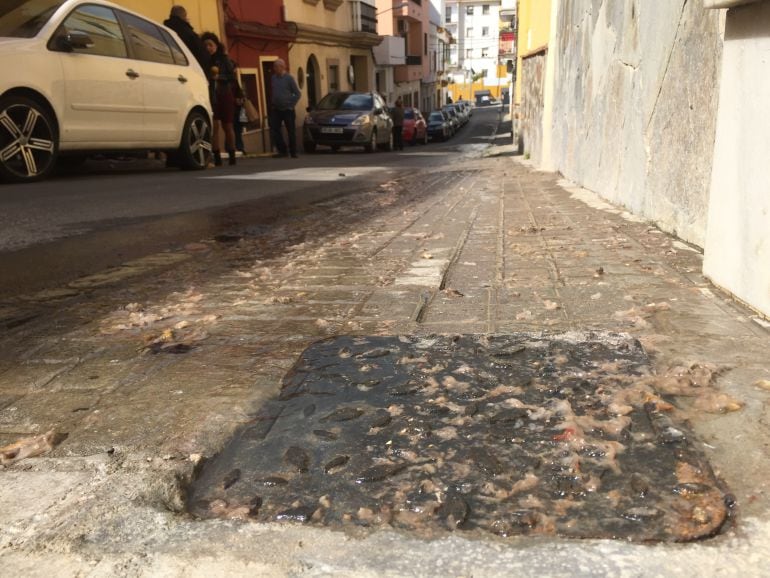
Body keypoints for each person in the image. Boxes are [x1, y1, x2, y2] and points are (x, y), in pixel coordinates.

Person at [201, 32, 242, 166]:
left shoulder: (224, 60)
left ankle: (231, 154)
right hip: (210, 96)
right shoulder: (202, 60)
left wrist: (219, 78)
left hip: (224, 94)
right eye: (206, 45)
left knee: (228, 126)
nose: (208, 48)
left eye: (210, 45)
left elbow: (232, 78)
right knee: (214, 126)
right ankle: (216, 155)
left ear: (216, 46)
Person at [270, 59, 301, 158]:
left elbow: (297, 93)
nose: (274, 69)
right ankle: (282, 151)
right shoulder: (273, 78)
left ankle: (293, 152)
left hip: (288, 109)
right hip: (276, 108)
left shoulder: (289, 78)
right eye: (274, 67)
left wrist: (291, 104)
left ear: (282, 67)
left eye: (276, 67)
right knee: (275, 129)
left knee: (291, 131)